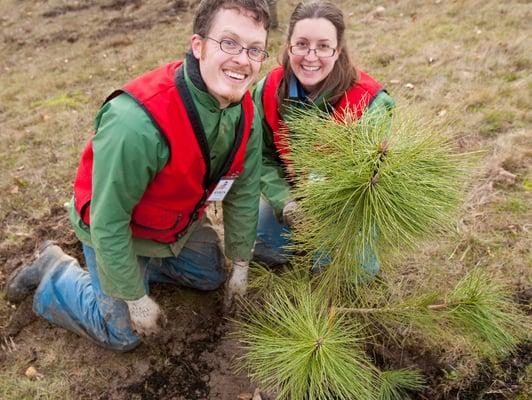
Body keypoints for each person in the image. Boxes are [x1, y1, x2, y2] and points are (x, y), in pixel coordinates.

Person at [6, 0, 271, 352]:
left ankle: (137, 268)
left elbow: (243, 188)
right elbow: (108, 220)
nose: (243, 59)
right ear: (199, 46)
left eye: (255, 49)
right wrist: (134, 298)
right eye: (229, 43)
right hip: (116, 227)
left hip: (172, 222)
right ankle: (55, 270)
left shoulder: (245, 110)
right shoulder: (137, 122)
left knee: (210, 276)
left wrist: (240, 262)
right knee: (123, 334)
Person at [253, 0, 394, 272]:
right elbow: (261, 156)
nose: (311, 56)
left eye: (323, 46)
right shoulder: (269, 90)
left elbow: (377, 180)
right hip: (293, 191)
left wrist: (334, 211)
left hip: (347, 206)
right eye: (302, 44)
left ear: (338, 50)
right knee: (266, 248)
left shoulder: (369, 102)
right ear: (289, 45)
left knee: (350, 273)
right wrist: (286, 202)